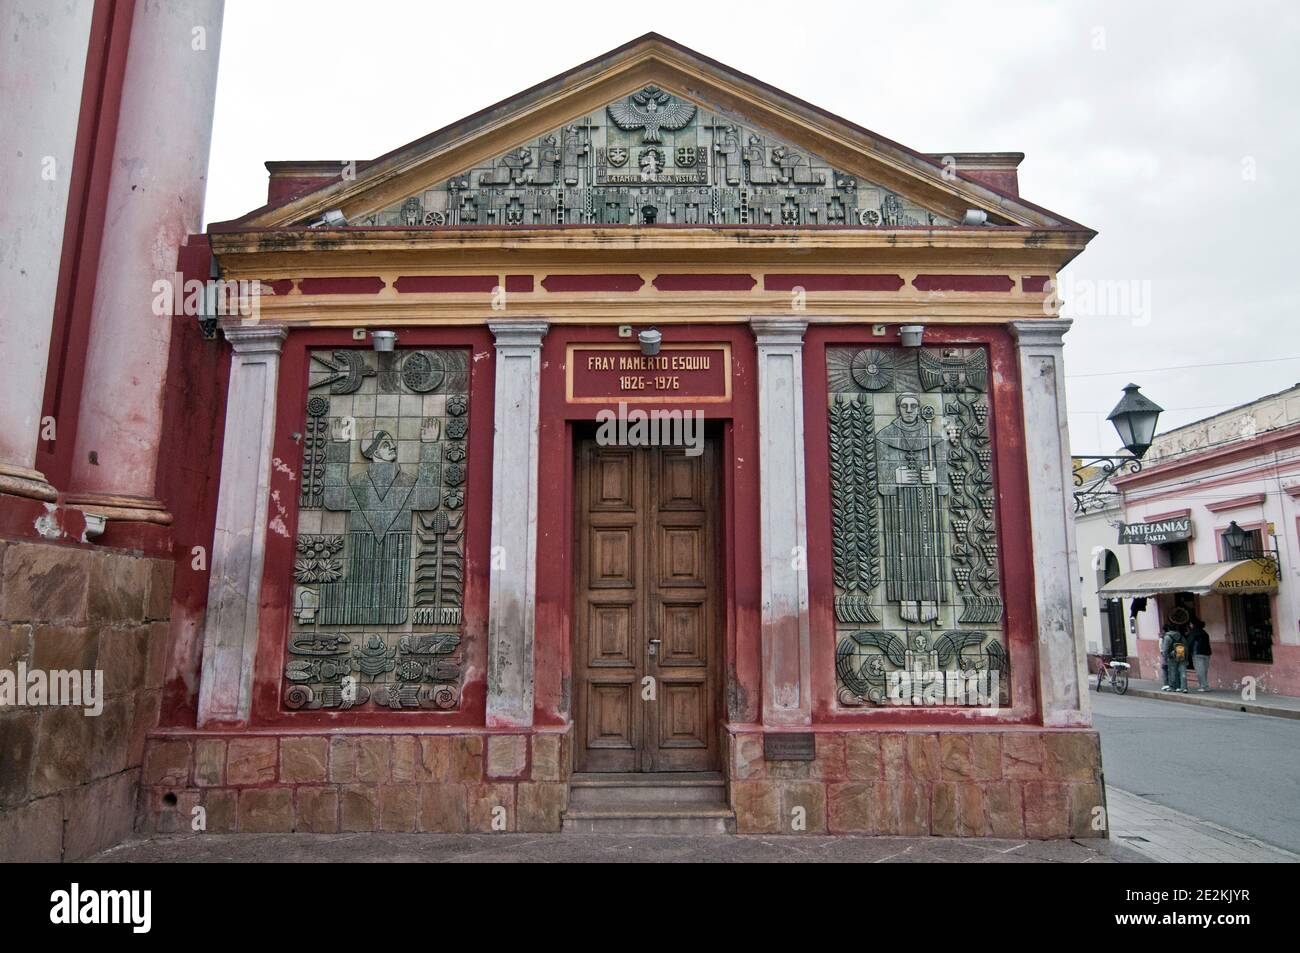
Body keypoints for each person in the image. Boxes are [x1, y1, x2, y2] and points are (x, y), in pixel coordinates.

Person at [1160, 622, 1190, 693]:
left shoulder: (1167, 637)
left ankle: (1173, 687)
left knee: (1172, 672)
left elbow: (1165, 649)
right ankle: (1184, 687)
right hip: (1181, 655)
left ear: (1169, 629)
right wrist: (1186, 656)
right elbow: (1186, 646)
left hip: (1172, 656)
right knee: (1182, 671)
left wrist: (1165, 657)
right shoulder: (1181, 636)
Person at [1188, 617, 1212, 692]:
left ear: (1193, 624)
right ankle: (1205, 685)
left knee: (1199, 671)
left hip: (1197, 653)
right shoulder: (1204, 632)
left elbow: (1190, 643)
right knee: (1204, 670)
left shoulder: (1193, 633)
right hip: (1207, 653)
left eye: (1190, 624)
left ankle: (1203, 686)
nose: (1190, 625)